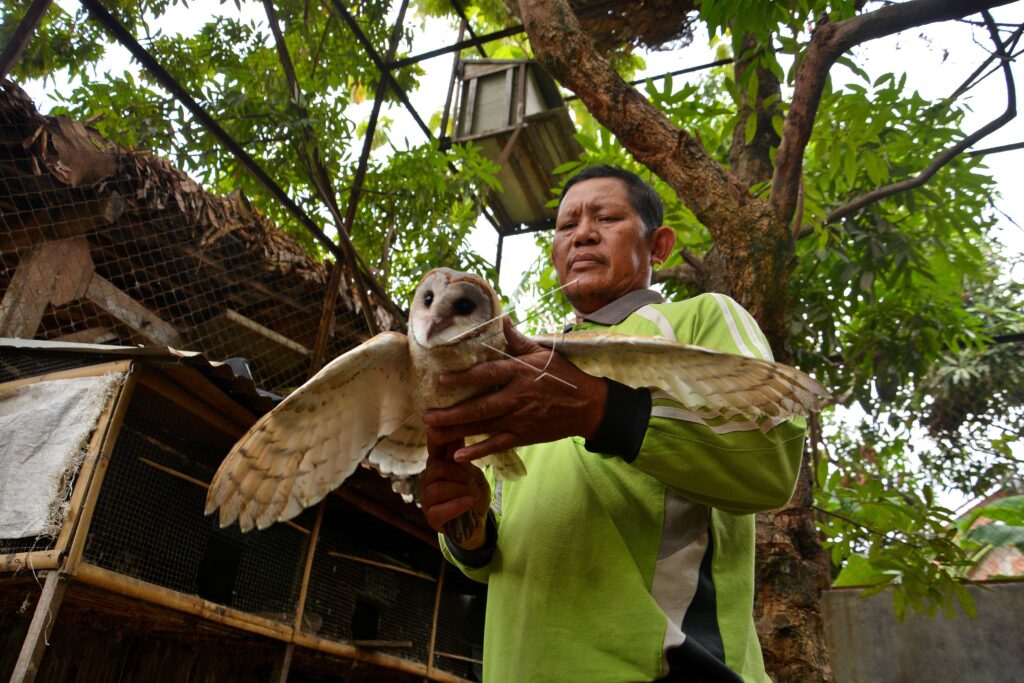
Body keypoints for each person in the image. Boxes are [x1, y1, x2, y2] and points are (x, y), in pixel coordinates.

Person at [418, 165, 805, 682]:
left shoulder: (701, 318)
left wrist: (593, 408)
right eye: (565, 226)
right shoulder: (520, 373)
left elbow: (770, 461)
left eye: (607, 216)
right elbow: (489, 561)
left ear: (659, 245)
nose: (582, 232)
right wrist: (466, 522)